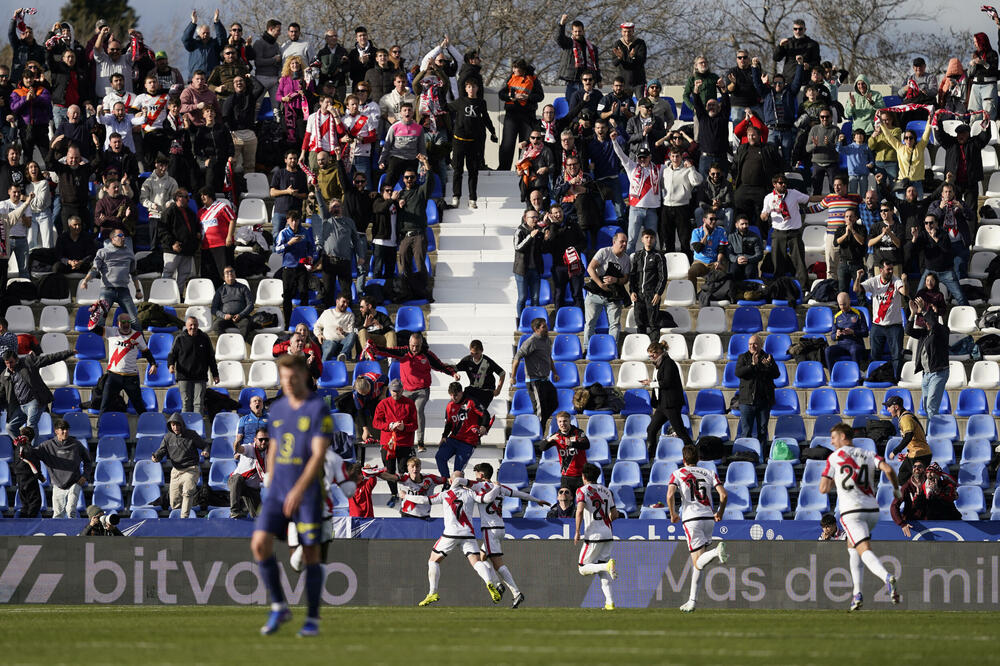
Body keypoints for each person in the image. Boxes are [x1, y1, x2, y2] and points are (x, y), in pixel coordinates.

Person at [252, 353, 355, 637]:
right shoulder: (279, 408)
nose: (286, 382)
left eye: (291, 377)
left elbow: (319, 454)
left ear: (302, 377)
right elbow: (273, 447)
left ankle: (311, 619)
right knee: (260, 544)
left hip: (308, 492)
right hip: (278, 489)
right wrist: (270, 480)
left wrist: (298, 490)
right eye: (282, 378)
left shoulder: (316, 409)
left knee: (311, 555)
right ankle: (278, 606)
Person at [819, 423, 902, 611]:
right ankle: (857, 594)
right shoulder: (867, 454)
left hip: (851, 511)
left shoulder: (834, 458)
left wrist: (836, 481)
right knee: (852, 546)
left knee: (863, 549)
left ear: (842, 437)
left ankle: (887, 577)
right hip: (872, 511)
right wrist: (896, 490)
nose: (831, 442)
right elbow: (889, 470)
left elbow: (823, 488)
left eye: (833, 437)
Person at [410, 470, 503, 606]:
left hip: (451, 534)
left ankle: (432, 592)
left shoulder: (446, 494)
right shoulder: (471, 493)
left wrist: (405, 496)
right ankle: (489, 582)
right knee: (477, 562)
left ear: (450, 481)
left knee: (433, 561)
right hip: (468, 534)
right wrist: (496, 487)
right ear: (463, 481)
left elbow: (424, 500)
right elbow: (487, 499)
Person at [470, 462, 550, 608]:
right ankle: (498, 585)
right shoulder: (500, 488)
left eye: (476, 474)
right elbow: (519, 494)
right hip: (500, 527)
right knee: (482, 557)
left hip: (490, 528)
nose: (475, 477)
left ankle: (515, 592)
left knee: (497, 562)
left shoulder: (478, 486)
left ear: (481, 475)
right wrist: (537, 500)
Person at [667, 444, 729, 612]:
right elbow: (723, 495)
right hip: (709, 518)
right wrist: (719, 513)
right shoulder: (709, 473)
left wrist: (673, 514)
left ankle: (716, 552)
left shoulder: (677, 473)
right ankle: (692, 601)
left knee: (697, 562)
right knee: (699, 563)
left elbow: (670, 494)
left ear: (683, 459)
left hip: (691, 518)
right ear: (698, 459)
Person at [573, 462, 619, 610]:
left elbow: (579, 511)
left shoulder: (582, 490)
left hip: (593, 535)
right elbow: (615, 514)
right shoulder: (606, 491)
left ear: (583, 476)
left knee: (582, 568)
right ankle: (609, 603)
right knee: (601, 571)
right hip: (608, 533)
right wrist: (605, 524)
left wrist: (577, 531)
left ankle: (607, 565)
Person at [854, 259, 908, 380]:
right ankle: (874, 378)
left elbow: (904, 292)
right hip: (877, 326)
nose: (890, 272)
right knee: (874, 355)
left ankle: (896, 379)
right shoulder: (874, 281)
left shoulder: (896, 281)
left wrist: (904, 281)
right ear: (881, 269)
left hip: (894, 326)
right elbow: (856, 289)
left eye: (891, 269)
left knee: (896, 356)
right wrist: (858, 277)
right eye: (887, 269)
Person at [98, 312, 157, 415]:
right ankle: (100, 428)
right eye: (123, 322)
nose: (126, 324)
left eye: (128, 322)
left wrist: (153, 363)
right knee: (105, 405)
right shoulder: (111, 332)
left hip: (131, 376)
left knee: (139, 406)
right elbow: (94, 329)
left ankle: (148, 428)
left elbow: (146, 351)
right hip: (114, 375)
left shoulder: (137, 335)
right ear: (118, 323)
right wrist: (96, 315)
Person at [152, 412, 209, 518]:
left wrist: (205, 451)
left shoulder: (191, 434)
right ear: (170, 426)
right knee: (174, 502)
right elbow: (161, 451)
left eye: (177, 424)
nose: (175, 427)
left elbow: (204, 445)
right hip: (176, 471)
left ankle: (184, 519)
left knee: (188, 491)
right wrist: (156, 457)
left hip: (191, 469)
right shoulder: (168, 437)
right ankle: (178, 523)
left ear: (182, 424)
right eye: (173, 425)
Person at [372, 379, 418, 506]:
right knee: (389, 471)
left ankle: (405, 494)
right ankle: (393, 494)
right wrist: (389, 425)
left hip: (404, 443)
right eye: (393, 391)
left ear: (402, 390)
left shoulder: (409, 404)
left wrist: (405, 428)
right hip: (388, 443)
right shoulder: (383, 404)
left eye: (398, 391)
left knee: (403, 470)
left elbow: (415, 425)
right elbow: (376, 423)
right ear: (390, 390)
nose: (396, 394)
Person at [644, 341, 695, 455]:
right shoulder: (659, 364)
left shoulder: (668, 363)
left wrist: (651, 383)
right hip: (662, 404)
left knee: (680, 431)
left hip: (671, 404)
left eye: (653, 355)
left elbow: (667, 382)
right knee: (651, 429)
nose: (651, 357)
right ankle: (651, 456)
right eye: (650, 355)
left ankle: (694, 454)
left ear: (660, 352)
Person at [612, 140, 660, 254]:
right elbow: (620, 155)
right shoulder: (632, 167)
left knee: (651, 241)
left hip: (651, 210)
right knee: (631, 240)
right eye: (640, 158)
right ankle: (627, 267)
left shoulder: (658, 169)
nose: (642, 160)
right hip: (635, 209)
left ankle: (652, 264)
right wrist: (614, 141)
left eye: (645, 157)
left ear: (650, 157)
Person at [512, 318, 558, 436]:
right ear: (536, 329)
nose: (547, 328)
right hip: (534, 381)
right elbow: (517, 357)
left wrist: (555, 372)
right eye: (543, 327)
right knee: (540, 411)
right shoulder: (531, 341)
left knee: (554, 403)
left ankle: (536, 425)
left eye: (546, 326)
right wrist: (513, 376)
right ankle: (539, 435)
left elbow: (548, 357)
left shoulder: (547, 340)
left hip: (545, 379)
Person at [436, 382, 492, 478]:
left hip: (468, 442)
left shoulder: (471, 401)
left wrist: (483, 426)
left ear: (461, 392)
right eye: (451, 395)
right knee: (439, 457)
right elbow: (449, 423)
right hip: (453, 439)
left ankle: (455, 486)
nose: (454, 398)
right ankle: (446, 482)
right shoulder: (450, 405)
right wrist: (444, 436)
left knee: (457, 472)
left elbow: (486, 414)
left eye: (456, 395)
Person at [908, 295, 950, 418]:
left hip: (938, 373)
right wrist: (913, 314)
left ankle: (932, 435)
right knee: (927, 407)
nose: (925, 323)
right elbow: (908, 331)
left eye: (926, 320)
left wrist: (924, 310)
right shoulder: (924, 334)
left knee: (931, 407)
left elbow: (934, 324)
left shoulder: (942, 331)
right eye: (924, 321)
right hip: (926, 374)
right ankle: (931, 433)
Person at [585, 232, 630, 345]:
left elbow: (625, 279)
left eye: (626, 242)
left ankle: (612, 348)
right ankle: (587, 348)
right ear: (614, 242)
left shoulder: (626, 259)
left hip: (613, 295)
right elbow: (590, 268)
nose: (624, 244)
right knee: (590, 323)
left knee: (614, 324)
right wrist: (600, 284)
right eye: (622, 241)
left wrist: (616, 280)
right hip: (595, 293)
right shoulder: (604, 252)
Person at [891, 461, 961, 535]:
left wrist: (938, 491)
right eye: (914, 466)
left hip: (937, 521)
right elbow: (894, 505)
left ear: (924, 470)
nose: (916, 468)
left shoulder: (938, 483)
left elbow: (951, 497)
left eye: (920, 466)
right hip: (915, 522)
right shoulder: (907, 487)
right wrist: (902, 523)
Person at [910, 215, 967, 305]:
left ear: (936, 223)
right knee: (918, 297)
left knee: (960, 297)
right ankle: (914, 318)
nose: (929, 225)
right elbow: (913, 252)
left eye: (931, 223)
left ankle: (969, 316)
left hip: (946, 271)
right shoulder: (923, 235)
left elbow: (947, 250)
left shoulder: (943, 233)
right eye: (926, 223)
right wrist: (914, 238)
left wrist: (935, 238)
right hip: (930, 271)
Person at [167, 316, 219, 413]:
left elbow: (211, 358)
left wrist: (215, 374)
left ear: (198, 325)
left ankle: (197, 426)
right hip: (184, 376)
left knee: (198, 403)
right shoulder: (180, 338)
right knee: (186, 403)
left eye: (195, 325)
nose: (193, 327)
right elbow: (172, 354)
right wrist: (171, 365)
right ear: (186, 326)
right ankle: (186, 426)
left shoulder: (204, 338)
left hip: (200, 377)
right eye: (190, 325)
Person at [734, 334, 780, 442]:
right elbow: (738, 372)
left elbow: (776, 374)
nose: (752, 346)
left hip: (764, 401)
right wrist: (752, 365)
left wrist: (769, 366)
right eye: (750, 344)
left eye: (755, 344)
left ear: (761, 345)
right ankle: (747, 456)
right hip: (746, 401)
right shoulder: (743, 357)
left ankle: (761, 456)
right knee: (746, 431)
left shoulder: (768, 357)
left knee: (762, 431)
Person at [275, 210, 316, 324]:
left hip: (302, 268)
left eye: (296, 220)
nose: (294, 223)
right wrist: (289, 243)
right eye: (292, 220)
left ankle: (304, 322)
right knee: (287, 296)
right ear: (288, 220)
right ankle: (288, 323)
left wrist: (309, 257)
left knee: (304, 293)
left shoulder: (305, 232)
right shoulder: (283, 233)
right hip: (288, 269)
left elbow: (311, 247)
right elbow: (277, 249)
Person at [883, 395, 931, 486]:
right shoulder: (906, 416)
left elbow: (909, 436)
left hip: (919, 454)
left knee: (903, 479)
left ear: (896, 407)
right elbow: (915, 438)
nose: (887, 409)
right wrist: (908, 452)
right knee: (910, 481)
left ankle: (912, 498)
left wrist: (895, 451)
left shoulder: (905, 418)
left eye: (889, 407)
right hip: (919, 453)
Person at [629, 228, 667, 339]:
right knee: (640, 322)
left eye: (651, 237)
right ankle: (641, 349)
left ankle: (654, 350)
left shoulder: (659, 256)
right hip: (639, 295)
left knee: (653, 323)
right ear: (642, 239)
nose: (649, 240)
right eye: (646, 237)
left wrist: (658, 293)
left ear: (655, 239)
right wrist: (632, 291)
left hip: (652, 295)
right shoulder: (637, 255)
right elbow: (632, 276)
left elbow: (663, 277)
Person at [542, 411, 590, 492]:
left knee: (582, 502)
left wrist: (572, 444)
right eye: (560, 421)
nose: (562, 424)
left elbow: (586, 445)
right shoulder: (556, 436)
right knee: (565, 501)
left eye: (565, 421)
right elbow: (542, 448)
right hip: (566, 476)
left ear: (569, 421)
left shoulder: (578, 432)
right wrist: (549, 440)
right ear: (557, 423)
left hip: (581, 475)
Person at [555, 15, 601, 99]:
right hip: (572, 82)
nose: (577, 34)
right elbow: (559, 39)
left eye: (579, 31)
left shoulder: (591, 47)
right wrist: (562, 24)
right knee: (572, 108)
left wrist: (599, 80)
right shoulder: (569, 43)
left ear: (583, 31)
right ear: (572, 32)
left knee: (586, 107)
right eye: (575, 31)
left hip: (587, 82)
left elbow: (596, 65)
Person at [229, 426, 269, 518]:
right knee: (237, 478)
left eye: (266, 439)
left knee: (260, 517)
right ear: (255, 439)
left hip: (252, 488)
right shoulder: (249, 448)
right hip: (239, 483)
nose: (263, 442)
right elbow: (239, 449)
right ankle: (234, 512)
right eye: (261, 439)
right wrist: (237, 442)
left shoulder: (271, 453)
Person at [455, 340, 506, 410]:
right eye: (472, 353)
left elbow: (502, 373)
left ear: (482, 350)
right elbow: (455, 368)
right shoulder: (467, 360)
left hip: (486, 390)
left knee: (480, 411)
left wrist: (498, 390)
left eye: (476, 353)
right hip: (473, 388)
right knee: (463, 408)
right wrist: (451, 370)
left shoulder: (488, 362)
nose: (474, 356)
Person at [514, 209, 545, 318]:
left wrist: (545, 238)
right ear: (525, 219)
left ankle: (534, 321)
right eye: (533, 217)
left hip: (535, 269)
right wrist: (530, 237)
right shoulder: (520, 231)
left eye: (537, 217)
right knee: (522, 297)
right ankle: (521, 321)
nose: (535, 220)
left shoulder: (539, 231)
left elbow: (543, 249)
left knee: (535, 298)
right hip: (522, 270)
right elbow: (517, 248)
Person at [210, 266, 256, 339]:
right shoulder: (220, 290)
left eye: (231, 271)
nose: (230, 273)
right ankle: (227, 343)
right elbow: (213, 308)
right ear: (223, 278)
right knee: (215, 326)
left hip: (241, 317)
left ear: (235, 275)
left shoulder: (243, 288)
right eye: (227, 272)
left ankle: (239, 344)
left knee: (246, 325)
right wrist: (223, 316)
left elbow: (250, 305)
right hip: (225, 318)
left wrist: (240, 315)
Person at [828, 291, 869, 367]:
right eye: (840, 305)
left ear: (849, 301)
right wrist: (837, 335)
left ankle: (856, 374)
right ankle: (833, 375)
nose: (843, 307)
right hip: (842, 345)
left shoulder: (858, 314)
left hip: (855, 344)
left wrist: (853, 332)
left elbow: (865, 332)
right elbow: (832, 337)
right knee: (828, 351)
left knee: (854, 350)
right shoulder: (836, 317)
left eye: (844, 304)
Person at [313, 294, 356, 361]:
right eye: (343, 302)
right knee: (331, 345)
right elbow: (317, 326)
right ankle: (322, 367)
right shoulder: (327, 313)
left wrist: (343, 332)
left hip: (342, 343)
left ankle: (343, 354)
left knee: (353, 334)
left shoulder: (350, 315)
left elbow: (350, 333)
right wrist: (319, 335)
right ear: (337, 302)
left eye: (347, 303)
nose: (345, 305)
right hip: (328, 341)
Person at [688, 210, 729, 280]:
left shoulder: (721, 231)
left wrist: (718, 262)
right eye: (711, 219)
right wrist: (706, 235)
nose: (714, 221)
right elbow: (698, 249)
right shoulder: (696, 231)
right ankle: (693, 291)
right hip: (700, 262)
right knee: (692, 272)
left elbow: (721, 250)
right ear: (704, 220)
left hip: (714, 262)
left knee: (722, 273)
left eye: (715, 219)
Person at [835, 208, 868, 292]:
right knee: (842, 290)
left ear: (856, 218)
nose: (849, 219)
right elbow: (836, 242)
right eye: (847, 216)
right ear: (844, 218)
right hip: (843, 264)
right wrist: (846, 234)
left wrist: (852, 231)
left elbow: (862, 242)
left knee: (860, 291)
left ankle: (862, 306)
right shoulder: (840, 229)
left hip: (857, 264)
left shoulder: (861, 228)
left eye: (851, 216)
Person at [727, 215, 764, 281]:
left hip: (750, 261)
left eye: (746, 224)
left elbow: (759, 254)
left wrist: (748, 259)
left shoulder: (755, 237)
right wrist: (736, 259)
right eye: (742, 224)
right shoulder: (731, 237)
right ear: (736, 225)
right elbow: (728, 253)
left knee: (749, 273)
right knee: (733, 272)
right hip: (736, 261)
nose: (744, 226)